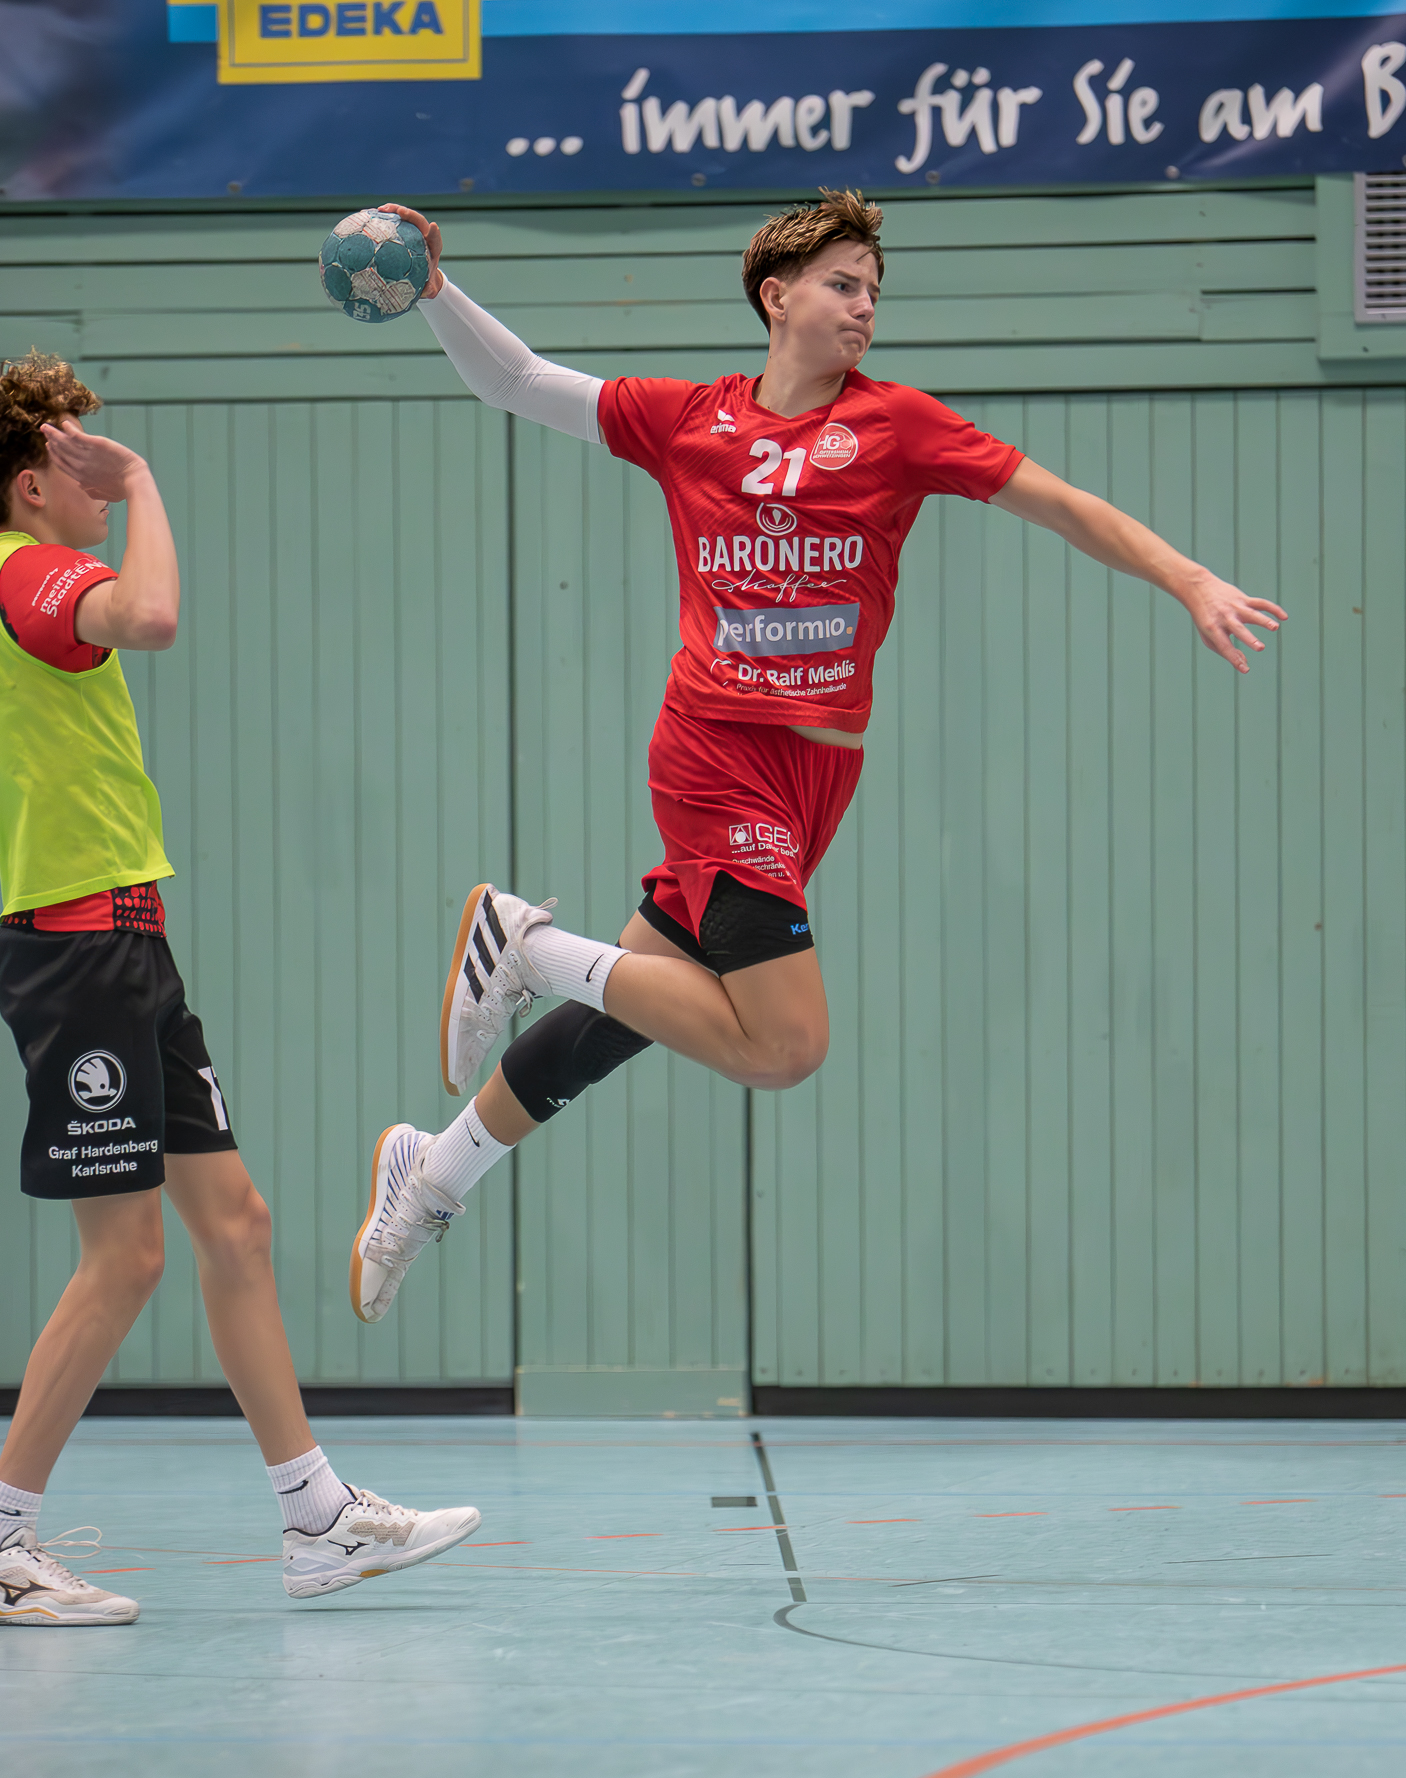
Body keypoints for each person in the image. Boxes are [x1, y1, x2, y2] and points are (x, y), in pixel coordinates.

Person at [349, 192, 1286, 1322]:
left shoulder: (898, 427)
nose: (863, 307)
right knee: (783, 1047)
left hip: (814, 779)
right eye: (842, 284)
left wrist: (1186, 576)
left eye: (873, 292)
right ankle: (525, 946)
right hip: (715, 752)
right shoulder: (689, 420)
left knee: (626, 1016)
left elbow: (1062, 505)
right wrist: (437, 291)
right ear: (776, 296)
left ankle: (431, 1174)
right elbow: (518, 380)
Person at [0, 352, 482, 1624]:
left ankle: (316, 1518)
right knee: (127, 1256)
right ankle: (1, 1537)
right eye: (78, 456)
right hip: (78, 950)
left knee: (238, 1224)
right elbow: (152, 615)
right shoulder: (25, 569)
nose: (98, 478)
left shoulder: (31, 571)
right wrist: (145, 483)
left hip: (126, 943)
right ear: (33, 478)